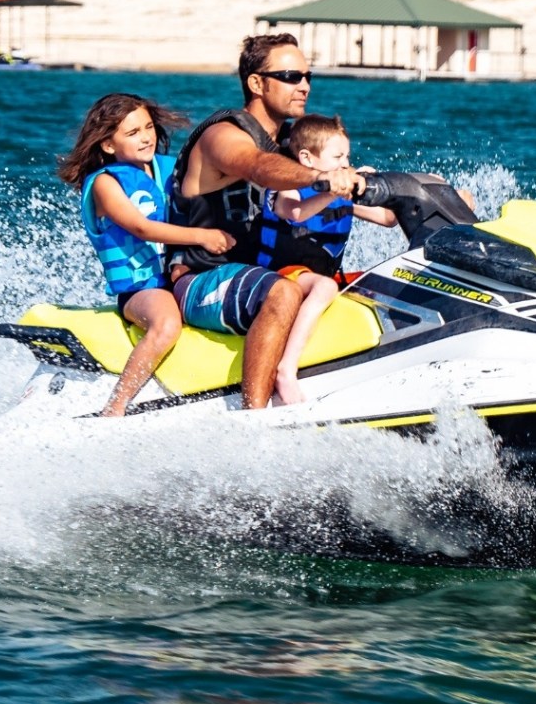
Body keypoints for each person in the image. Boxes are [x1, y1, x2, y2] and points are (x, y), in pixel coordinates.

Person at [166, 34, 362, 410]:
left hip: (258, 274)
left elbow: (343, 173)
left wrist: (420, 190)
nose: (304, 85)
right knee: (281, 292)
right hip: (200, 280)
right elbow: (256, 165)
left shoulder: (294, 142)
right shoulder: (223, 135)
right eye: (290, 76)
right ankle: (254, 417)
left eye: (307, 76)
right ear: (257, 83)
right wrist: (320, 179)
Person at [57, 93, 238, 418]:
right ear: (108, 145)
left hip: (183, 278)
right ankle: (115, 407)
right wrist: (203, 237)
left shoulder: (169, 169)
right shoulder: (105, 184)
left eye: (148, 127)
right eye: (132, 133)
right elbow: (141, 227)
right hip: (141, 289)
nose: (145, 137)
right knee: (166, 325)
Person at [257, 113, 398, 405]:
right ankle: (286, 370)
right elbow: (294, 212)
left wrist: (377, 187)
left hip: (323, 275)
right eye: (337, 157)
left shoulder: (341, 192)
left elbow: (388, 219)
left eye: (347, 157)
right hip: (281, 278)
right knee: (326, 288)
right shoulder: (287, 185)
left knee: (385, 280)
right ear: (307, 158)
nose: (345, 164)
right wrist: (333, 192)